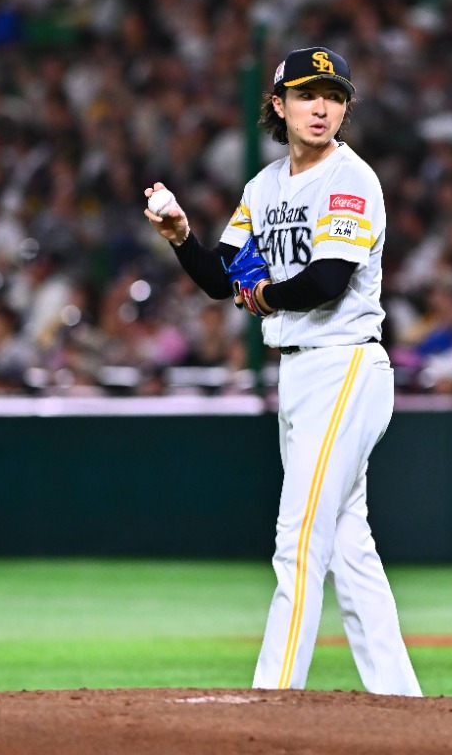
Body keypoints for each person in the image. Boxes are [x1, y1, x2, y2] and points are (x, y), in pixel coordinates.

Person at [142, 46, 422, 693]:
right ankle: (401, 700)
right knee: (348, 547)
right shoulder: (265, 187)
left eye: (334, 95)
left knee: (298, 541)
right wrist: (182, 236)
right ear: (279, 104)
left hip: (344, 364)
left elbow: (327, 280)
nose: (321, 107)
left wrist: (265, 295)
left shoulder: (350, 180)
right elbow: (222, 278)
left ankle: (272, 697)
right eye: (306, 94)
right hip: (299, 372)